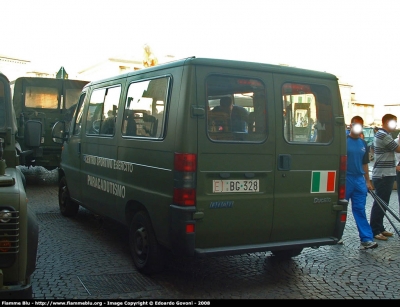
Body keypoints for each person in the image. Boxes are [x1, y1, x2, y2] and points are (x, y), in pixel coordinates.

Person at [344, 116, 378, 249]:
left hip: (359, 180)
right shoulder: (343, 141)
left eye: (360, 125)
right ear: (351, 125)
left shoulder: (363, 143)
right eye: (355, 124)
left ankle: (366, 238)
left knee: (360, 209)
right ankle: (337, 235)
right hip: (345, 178)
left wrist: (367, 181)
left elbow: (365, 164)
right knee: (340, 209)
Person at [370, 114, 400, 240]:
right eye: (394, 122)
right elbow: (398, 149)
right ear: (387, 122)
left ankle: (380, 227)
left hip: (386, 173)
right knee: (380, 203)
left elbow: (373, 149)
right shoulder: (383, 135)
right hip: (383, 174)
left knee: (384, 202)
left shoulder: (384, 135)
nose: (396, 125)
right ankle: (374, 230)